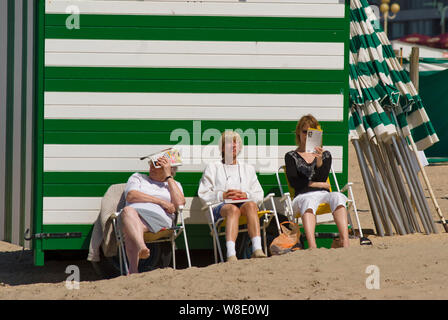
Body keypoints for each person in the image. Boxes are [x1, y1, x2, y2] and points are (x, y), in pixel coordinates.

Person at [198, 130, 267, 262]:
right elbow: (203, 194)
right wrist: (222, 195)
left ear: (240, 147)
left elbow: (259, 194)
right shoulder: (213, 167)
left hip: (244, 205)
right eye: (229, 143)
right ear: (222, 148)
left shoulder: (248, 168)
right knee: (232, 209)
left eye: (236, 143)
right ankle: (231, 254)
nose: (233, 145)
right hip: (221, 207)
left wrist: (245, 194)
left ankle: (257, 249)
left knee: (252, 205)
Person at [284, 114, 349, 249]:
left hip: (322, 195)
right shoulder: (291, 156)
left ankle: (345, 242)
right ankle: (313, 247)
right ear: (298, 133)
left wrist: (319, 160)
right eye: (304, 132)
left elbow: (322, 176)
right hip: (301, 196)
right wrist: (317, 184)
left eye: (311, 133)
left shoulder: (325, 155)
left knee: (337, 196)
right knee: (308, 201)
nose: (307, 136)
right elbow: (294, 182)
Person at [121, 155, 185, 274]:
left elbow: (180, 204)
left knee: (129, 224)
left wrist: (169, 177)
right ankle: (141, 247)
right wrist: (161, 202)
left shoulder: (174, 184)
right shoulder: (138, 177)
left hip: (159, 219)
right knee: (128, 213)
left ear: (169, 169)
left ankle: (133, 270)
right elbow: (131, 196)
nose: (152, 168)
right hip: (134, 216)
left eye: (157, 166)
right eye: (151, 164)